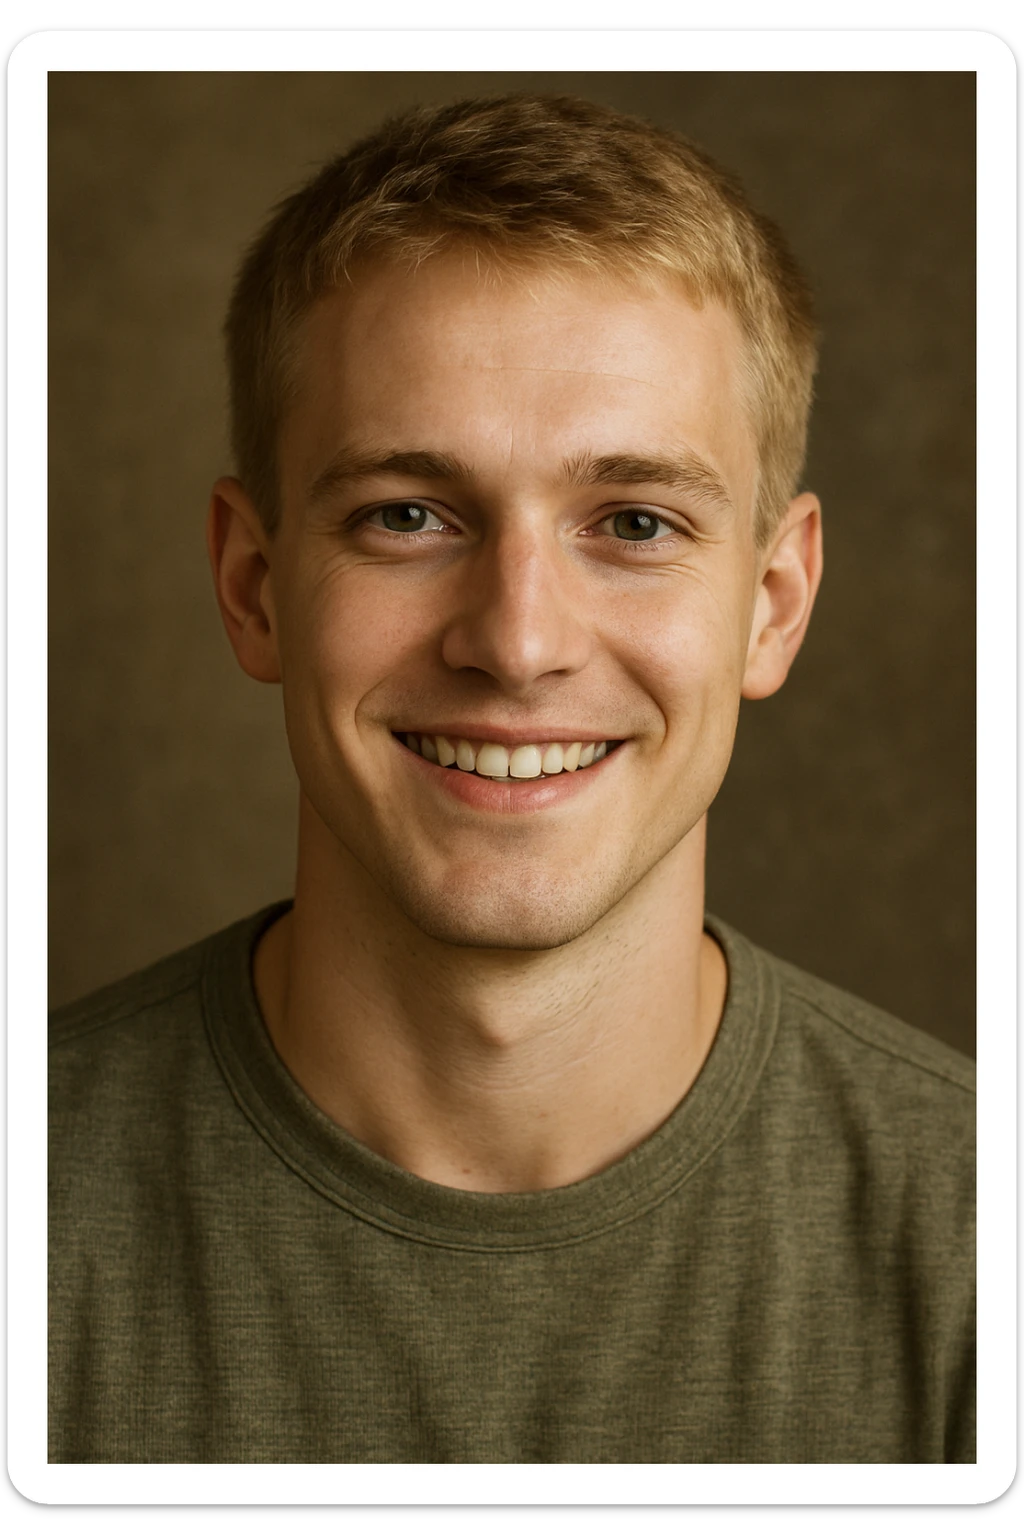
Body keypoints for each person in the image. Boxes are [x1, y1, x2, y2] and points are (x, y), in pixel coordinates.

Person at [48, 94, 975, 1465]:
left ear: (773, 602)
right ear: (253, 586)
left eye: (637, 523)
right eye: (407, 516)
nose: (519, 642)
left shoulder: (977, 1254)